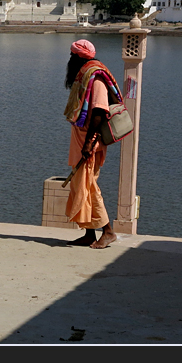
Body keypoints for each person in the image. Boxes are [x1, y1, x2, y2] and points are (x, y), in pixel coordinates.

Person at [62, 39, 118, 249]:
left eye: (72, 55)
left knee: (89, 185)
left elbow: (98, 112)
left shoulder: (95, 78)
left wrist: (88, 143)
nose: (70, 59)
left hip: (90, 141)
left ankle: (108, 231)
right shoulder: (86, 75)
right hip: (82, 139)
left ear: (79, 57)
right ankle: (89, 233)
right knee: (81, 185)